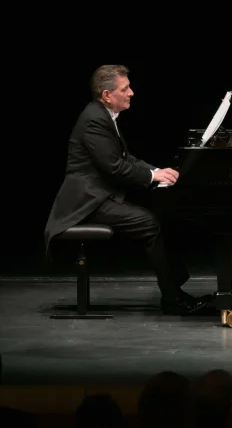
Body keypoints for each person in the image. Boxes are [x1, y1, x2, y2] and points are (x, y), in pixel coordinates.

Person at [43, 64, 211, 315]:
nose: (131, 92)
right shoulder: (94, 120)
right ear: (107, 95)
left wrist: (157, 171)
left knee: (161, 215)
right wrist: (153, 176)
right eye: (125, 88)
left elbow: (125, 158)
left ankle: (174, 289)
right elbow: (115, 167)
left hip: (99, 194)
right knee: (149, 224)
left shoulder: (104, 115)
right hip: (87, 202)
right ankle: (173, 299)